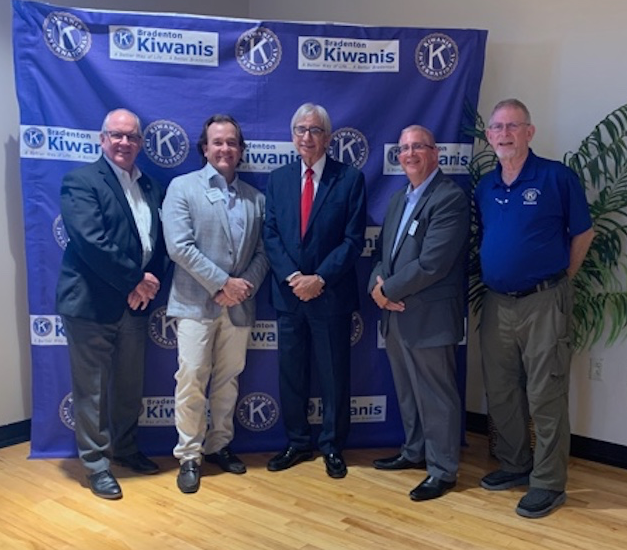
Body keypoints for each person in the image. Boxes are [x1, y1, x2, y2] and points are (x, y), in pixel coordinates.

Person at [475, 98, 595, 518]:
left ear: (530, 132)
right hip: (497, 303)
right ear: (489, 136)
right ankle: (515, 464)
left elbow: (583, 233)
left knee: (546, 392)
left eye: (513, 126)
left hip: (545, 302)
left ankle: (548, 482)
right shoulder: (485, 186)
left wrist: (560, 280)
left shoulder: (556, 177)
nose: (504, 134)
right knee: (502, 390)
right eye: (497, 127)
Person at [57, 108, 169, 500]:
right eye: (117, 135)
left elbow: (159, 243)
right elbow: (92, 241)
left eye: (132, 136)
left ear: (141, 143)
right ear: (102, 139)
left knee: (128, 386)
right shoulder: (81, 181)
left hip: (135, 304)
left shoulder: (151, 186)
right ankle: (96, 465)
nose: (124, 142)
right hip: (90, 304)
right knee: (92, 390)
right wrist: (135, 280)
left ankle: (125, 448)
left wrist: (148, 285)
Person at [162, 115, 269, 494]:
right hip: (195, 303)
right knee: (192, 377)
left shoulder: (256, 199)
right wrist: (223, 283)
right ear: (205, 148)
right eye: (217, 142)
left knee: (228, 379)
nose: (225, 149)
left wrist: (241, 288)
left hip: (239, 306)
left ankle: (219, 445)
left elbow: (264, 253)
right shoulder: (182, 187)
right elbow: (179, 246)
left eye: (231, 142)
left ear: (240, 150)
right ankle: (189, 455)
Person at [263, 103, 367, 479]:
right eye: (300, 130)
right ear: (293, 136)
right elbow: (270, 234)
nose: (307, 137)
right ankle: (297, 442)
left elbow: (353, 240)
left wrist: (319, 279)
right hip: (289, 295)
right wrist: (294, 277)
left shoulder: (350, 179)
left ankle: (332, 446)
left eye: (315, 130)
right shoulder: (278, 179)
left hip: (330, 295)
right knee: (292, 373)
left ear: (328, 137)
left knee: (334, 375)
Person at [369, 125, 469, 501]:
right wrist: (377, 289)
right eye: (404, 148)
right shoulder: (399, 199)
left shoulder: (449, 198)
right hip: (395, 314)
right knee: (408, 391)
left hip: (429, 316)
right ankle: (414, 452)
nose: (410, 154)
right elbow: (383, 254)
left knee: (436, 396)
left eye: (418, 147)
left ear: (435, 153)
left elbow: (433, 263)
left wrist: (387, 291)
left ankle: (442, 470)